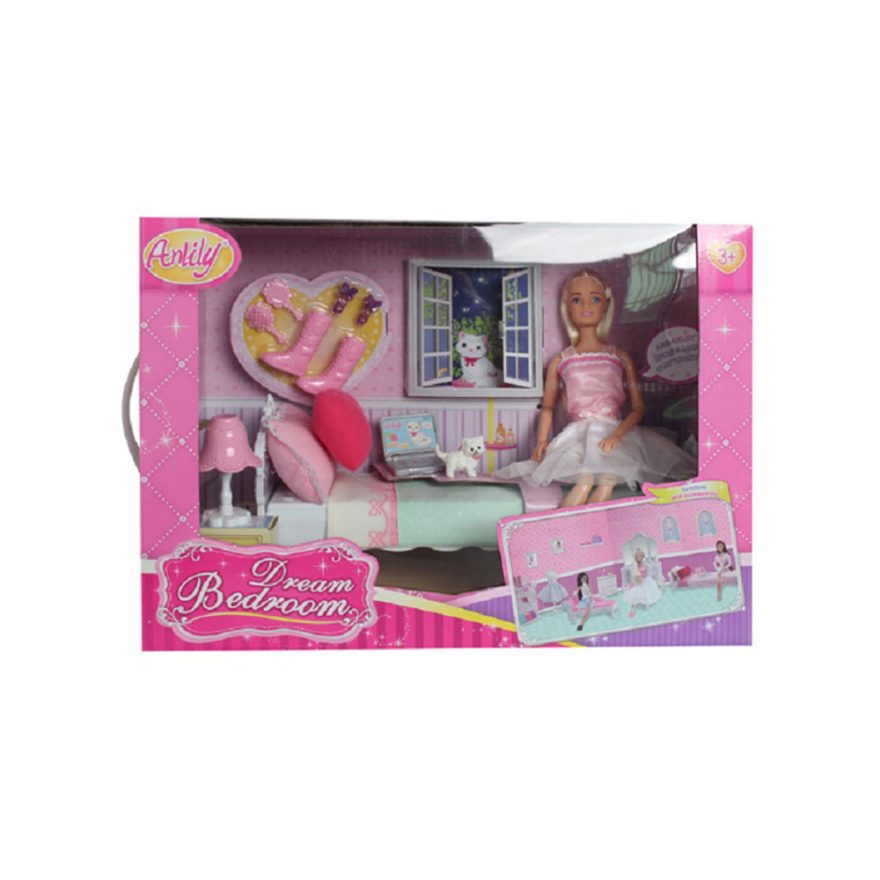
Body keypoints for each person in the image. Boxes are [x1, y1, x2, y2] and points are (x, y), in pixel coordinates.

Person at [495, 270, 696, 507]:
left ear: (606, 305)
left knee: (608, 480)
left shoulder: (619, 357)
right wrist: (541, 441)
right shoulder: (562, 360)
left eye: (595, 298)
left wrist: (617, 435)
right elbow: (547, 406)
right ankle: (562, 526)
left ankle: (592, 526)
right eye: (576, 300)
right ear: (567, 307)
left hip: (615, 432)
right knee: (585, 480)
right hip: (578, 434)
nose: (586, 306)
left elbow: (638, 408)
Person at [622, 547, 663, 618]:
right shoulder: (634, 564)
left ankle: (645, 603)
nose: (641, 557)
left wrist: (646, 576)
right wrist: (637, 580)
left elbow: (647, 573)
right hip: (638, 580)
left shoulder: (644, 563)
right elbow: (635, 575)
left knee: (646, 590)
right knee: (637, 592)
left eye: (642, 556)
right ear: (636, 557)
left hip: (646, 579)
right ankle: (633, 609)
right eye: (639, 556)